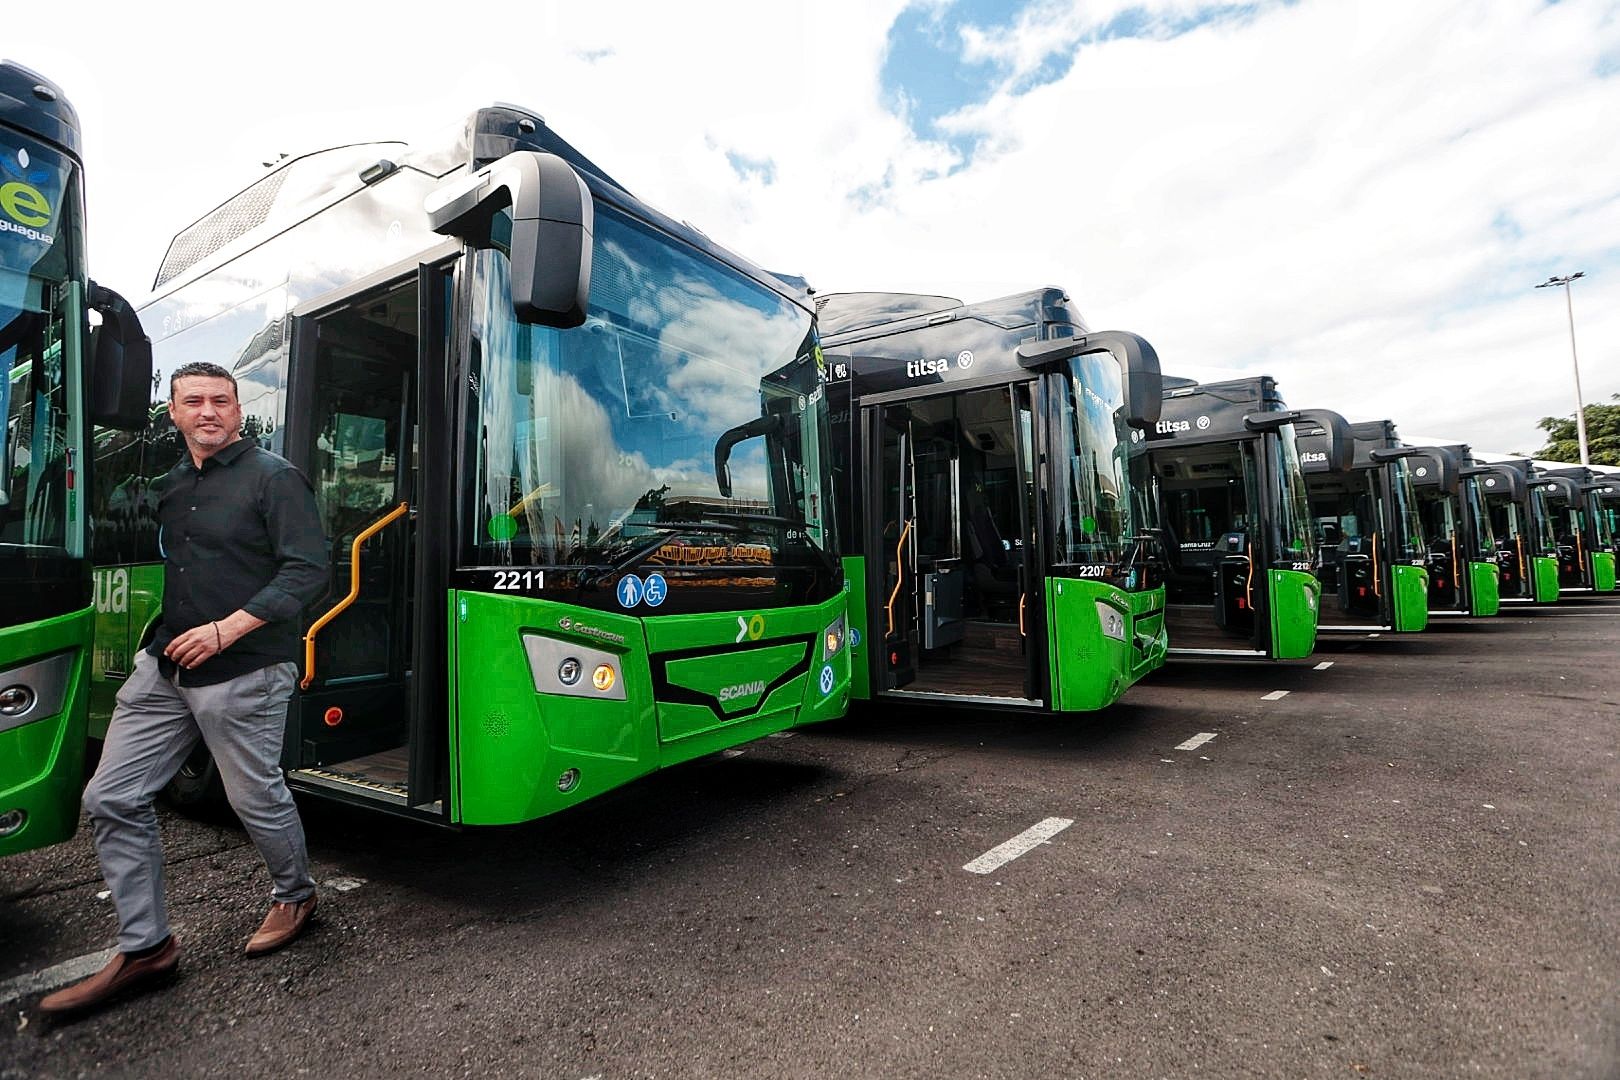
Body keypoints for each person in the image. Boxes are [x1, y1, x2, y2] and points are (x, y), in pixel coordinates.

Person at [40, 362, 330, 1015]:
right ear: (172, 413)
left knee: (254, 796)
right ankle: (147, 947)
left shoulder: (275, 478)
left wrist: (227, 629)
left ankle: (296, 894)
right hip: (167, 663)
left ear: (237, 409)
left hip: (247, 665)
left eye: (221, 400)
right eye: (193, 401)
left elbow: (309, 569)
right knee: (111, 796)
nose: (208, 411)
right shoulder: (170, 486)